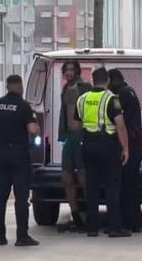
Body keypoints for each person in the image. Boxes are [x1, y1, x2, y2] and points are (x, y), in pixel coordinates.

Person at [0, 74, 40, 247]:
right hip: (19, 155)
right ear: (19, 86)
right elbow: (33, 130)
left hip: (1, 153)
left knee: (0, 197)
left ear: (7, 86)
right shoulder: (24, 106)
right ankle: (21, 237)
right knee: (21, 198)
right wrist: (36, 126)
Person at [76, 68, 130, 238]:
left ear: (92, 80)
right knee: (112, 187)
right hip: (107, 145)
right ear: (107, 81)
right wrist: (126, 149)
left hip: (88, 145)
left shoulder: (82, 99)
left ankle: (92, 227)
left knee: (91, 187)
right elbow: (120, 125)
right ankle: (115, 227)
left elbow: (77, 125)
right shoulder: (111, 99)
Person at [108, 68, 142, 233]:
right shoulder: (130, 91)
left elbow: (120, 122)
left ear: (114, 80)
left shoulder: (120, 95)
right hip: (137, 140)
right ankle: (134, 220)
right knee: (132, 183)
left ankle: (128, 221)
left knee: (125, 184)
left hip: (130, 142)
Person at [58, 60, 91, 231]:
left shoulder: (85, 87)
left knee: (84, 178)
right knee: (67, 178)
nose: (69, 72)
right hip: (69, 138)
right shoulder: (65, 89)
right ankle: (76, 215)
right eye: (67, 70)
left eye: (72, 69)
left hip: (82, 136)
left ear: (77, 71)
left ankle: (89, 215)